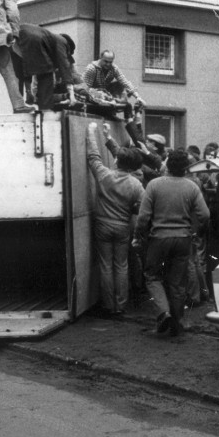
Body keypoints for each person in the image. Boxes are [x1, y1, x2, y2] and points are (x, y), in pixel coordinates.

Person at [133, 149, 210, 337]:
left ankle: (163, 311)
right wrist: (195, 231)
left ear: (167, 164)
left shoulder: (154, 185)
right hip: (183, 239)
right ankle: (176, 322)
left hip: (158, 239)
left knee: (152, 276)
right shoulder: (192, 187)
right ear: (185, 168)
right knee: (177, 282)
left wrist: (138, 236)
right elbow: (205, 215)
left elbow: (143, 217)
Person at [86, 123, 145, 314]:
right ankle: (121, 305)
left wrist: (91, 133)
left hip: (103, 224)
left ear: (117, 161)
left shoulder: (105, 175)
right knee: (121, 265)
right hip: (122, 227)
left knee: (105, 265)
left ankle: (108, 305)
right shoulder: (136, 184)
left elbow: (93, 157)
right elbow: (143, 206)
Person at [84, 50, 146, 144]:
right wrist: (99, 97)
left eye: (110, 62)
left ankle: (137, 139)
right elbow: (86, 88)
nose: (108, 64)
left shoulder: (113, 68)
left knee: (126, 101)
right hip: (91, 97)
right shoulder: (91, 68)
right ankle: (110, 112)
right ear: (100, 58)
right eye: (105, 61)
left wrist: (138, 97)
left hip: (105, 95)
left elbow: (124, 81)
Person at [11, 24, 77, 111]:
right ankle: (45, 110)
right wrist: (71, 95)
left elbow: (27, 70)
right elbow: (64, 66)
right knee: (46, 74)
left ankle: (18, 106)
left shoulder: (47, 40)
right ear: (68, 49)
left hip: (16, 39)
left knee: (19, 75)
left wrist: (28, 92)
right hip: (30, 39)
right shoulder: (62, 41)